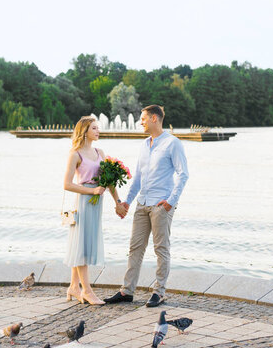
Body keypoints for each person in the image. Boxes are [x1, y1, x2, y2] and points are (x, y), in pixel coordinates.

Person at [105, 105, 189, 307]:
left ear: (153, 118)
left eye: (142, 119)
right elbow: (138, 178)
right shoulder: (144, 145)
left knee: (161, 249)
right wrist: (126, 201)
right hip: (142, 204)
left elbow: (183, 174)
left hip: (161, 205)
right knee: (135, 248)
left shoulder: (172, 143)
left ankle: (159, 292)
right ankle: (126, 292)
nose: (140, 122)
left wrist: (170, 201)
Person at [63, 115, 122, 305]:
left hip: (97, 203)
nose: (98, 131)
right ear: (85, 131)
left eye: (98, 128)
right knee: (81, 245)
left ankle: (74, 286)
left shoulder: (100, 152)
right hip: (83, 203)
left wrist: (118, 202)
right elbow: (67, 184)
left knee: (83, 244)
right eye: (94, 128)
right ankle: (87, 290)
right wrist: (91, 190)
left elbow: (109, 181)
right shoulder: (75, 154)